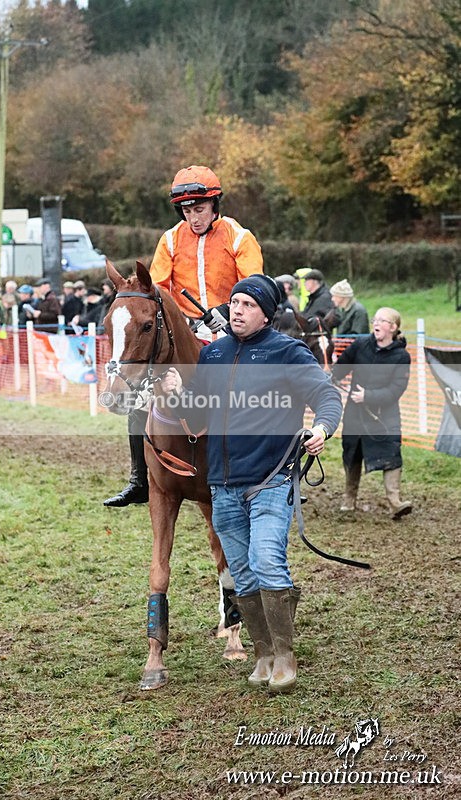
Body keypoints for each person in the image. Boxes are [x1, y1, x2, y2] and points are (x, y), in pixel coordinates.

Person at [161, 274, 342, 691]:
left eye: (248, 305)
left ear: (266, 314)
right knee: (242, 574)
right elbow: (198, 414)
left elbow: (326, 396)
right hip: (222, 486)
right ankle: (263, 653)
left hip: (271, 481)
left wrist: (322, 427)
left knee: (266, 561)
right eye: (235, 303)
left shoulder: (287, 352)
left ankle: (285, 656)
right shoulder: (214, 355)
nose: (238, 310)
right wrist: (177, 393)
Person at [104, 164, 264, 508]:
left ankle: (273, 472)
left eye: (200, 209)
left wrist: (227, 310)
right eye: (188, 211)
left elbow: (254, 285)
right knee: (141, 395)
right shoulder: (171, 239)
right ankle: (139, 479)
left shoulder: (239, 237)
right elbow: (157, 290)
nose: (194, 217)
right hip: (183, 330)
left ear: (214, 205)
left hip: (234, 326)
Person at [331, 307, 412, 518]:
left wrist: (368, 396)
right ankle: (349, 499)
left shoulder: (401, 356)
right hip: (355, 414)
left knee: (391, 454)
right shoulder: (360, 345)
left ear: (393, 327)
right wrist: (331, 376)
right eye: (375, 320)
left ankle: (395, 502)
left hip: (385, 416)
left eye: (382, 320)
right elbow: (341, 367)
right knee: (352, 453)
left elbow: (396, 389)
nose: (376, 323)